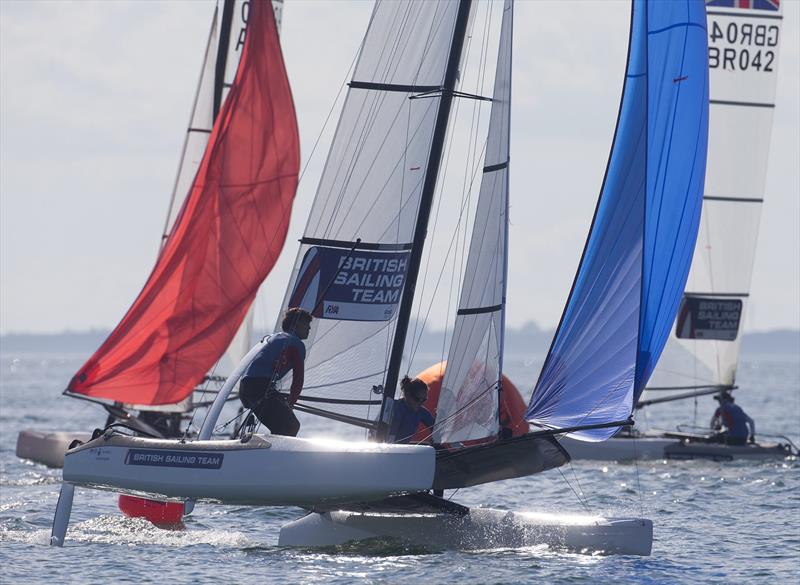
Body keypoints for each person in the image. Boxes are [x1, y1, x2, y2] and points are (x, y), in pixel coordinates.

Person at [239, 307, 312, 437]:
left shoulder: (273, 338)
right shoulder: (296, 345)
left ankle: (266, 452)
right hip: (260, 388)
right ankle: (273, 455)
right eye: (306, 324)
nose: (309, 328)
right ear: (296, 324)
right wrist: (291, 402)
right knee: (291, 426)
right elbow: (298, 379)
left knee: (281, 427)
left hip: (246, 388)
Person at [388, 376, 435, 444]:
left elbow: (436, 427)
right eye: (417, 399)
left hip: (403, 448)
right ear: (407, 394)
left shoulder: (421, 411)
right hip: (389, 447)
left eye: (424, 400)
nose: (420, 403)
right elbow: (390, 438)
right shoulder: (396, 408)